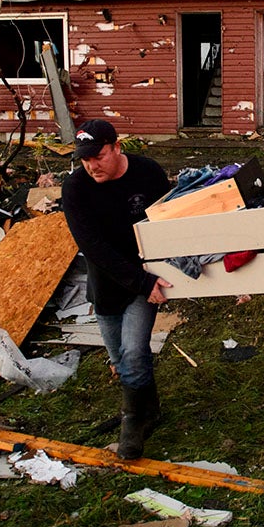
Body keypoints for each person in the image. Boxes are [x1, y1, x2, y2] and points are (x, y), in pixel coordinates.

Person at [61, 119, 173, 459]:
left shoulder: (148, 173)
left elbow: (169, 222)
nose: (92, 165)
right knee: (119, 359)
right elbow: (92, 247)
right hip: (106, 282)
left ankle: (132, 425)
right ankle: (149, 410)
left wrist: (151, 279)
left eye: (99, 156)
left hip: (145, 279)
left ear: (117, 147)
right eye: (85, 159)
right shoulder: (76, 188)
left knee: (135, 351)